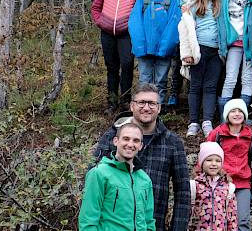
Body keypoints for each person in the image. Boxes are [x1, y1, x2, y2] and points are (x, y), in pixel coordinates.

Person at [94, 83, 190, 231]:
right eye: (141, 102)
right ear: (132, 106)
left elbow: (183, 192)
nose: (146, 108)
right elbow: (94, 185)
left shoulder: (172, 142)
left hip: (153, 225)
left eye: (152, 103)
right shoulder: (113, 137)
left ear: (158, 107)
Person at [79, 123, 155, 231]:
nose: (130, 144)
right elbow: (88, 220)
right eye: (126, 139)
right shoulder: (99, 174)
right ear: (116, 141)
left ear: (141, 146)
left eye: (136, 140)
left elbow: (149, 221)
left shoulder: (145, 179)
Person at [91, 0, 141, 114]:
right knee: (111, 68)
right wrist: (101, 22)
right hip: (107, 34)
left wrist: (132, 27)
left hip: (126, 35)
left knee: (127, 65)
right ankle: (112, 102)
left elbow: (140, 12)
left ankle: (125, 100)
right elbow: (95, 7)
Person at [130, 0, 181, 105]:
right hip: (144, 49)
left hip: (164, 50)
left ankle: (159, 108)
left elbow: (174, 24)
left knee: (161, 80)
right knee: (144, 79)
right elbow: (135, 22)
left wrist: (165, 47)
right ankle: (141, 106)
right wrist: (140, 46)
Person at [182, 0, 223, 137]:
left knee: (211, 87)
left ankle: (207, 121)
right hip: (198, 51)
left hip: (216, 52)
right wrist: (186, 53)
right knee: (195, 86)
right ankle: (193, 122)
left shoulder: (221, 4)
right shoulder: (192, 4)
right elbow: (184, 31)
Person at [206, 99, 252, 230]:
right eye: (233, 111)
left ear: (245, 115)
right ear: (227, 115)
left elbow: (250, 157)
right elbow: (205, 156)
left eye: (240, 111)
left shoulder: (251, 135)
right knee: (220, 221)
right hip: (221, 182)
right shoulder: (217, 133)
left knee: (242, 221)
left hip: (243, 182)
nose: (237, 114)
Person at [168, 0, 207, 107]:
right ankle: (174, 92)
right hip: (181, 25)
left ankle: (192, 91)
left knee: (195, 58)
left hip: (198, 25)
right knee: (178, 59)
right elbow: (173, 3)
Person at [188, 142, 238, 231]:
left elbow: (232, 216)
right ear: (202, 162)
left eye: (218, 161)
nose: (214, 164)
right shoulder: (194, 186)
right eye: (209, 160)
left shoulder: (228, 187)